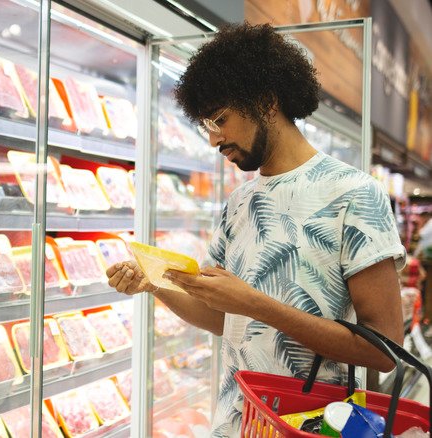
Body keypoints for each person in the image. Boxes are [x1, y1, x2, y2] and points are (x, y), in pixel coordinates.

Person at [106, 23, 406, 436]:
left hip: (311, 426)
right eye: (205, 124)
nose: (214, 139)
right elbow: (222, 319)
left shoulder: (355, 193)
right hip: (235, 424)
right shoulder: (239, 203)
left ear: (266, 101)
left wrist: (254, 303)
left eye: (220, 118)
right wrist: (156, 285)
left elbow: (385, 350)